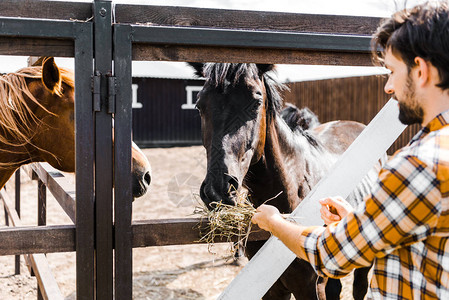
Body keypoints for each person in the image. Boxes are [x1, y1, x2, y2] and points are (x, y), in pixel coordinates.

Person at [251, 2, 449, 299]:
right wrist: (359, 219)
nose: (389, 88)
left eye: (392, 72)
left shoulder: (418, 164)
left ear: (420, 71)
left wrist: (274, 222)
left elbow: (332, 254)